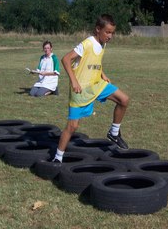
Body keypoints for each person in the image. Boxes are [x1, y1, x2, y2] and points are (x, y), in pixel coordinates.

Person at [52, 14, 129, 163]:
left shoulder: (103, 44)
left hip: (97, 85)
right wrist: (74, 81)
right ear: (98, 29)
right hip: (80, 90)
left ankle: (114, 133)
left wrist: (102, 74)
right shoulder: (87, 43)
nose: (110, 36)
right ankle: (57, 158)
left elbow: (94, 61)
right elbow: (66, 59)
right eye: (107, 32)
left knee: (124, 99)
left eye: (112, 32)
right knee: (72, 126)